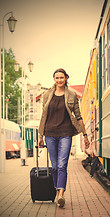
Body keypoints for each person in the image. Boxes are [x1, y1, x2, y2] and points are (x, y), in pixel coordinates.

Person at [38, 68, 90, 208]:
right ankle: (57, 190)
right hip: (50, 134)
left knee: (62, 165)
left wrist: (85, 135)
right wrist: (40, 136)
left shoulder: (72, 95)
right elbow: (44, 116)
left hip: (65, 134)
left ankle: (61, 194)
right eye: (57, 78)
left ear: (66, 78)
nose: (59, 80)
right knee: (55, 166)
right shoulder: (47, 94)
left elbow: (78, 117)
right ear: (54, 79)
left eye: (62, 77)